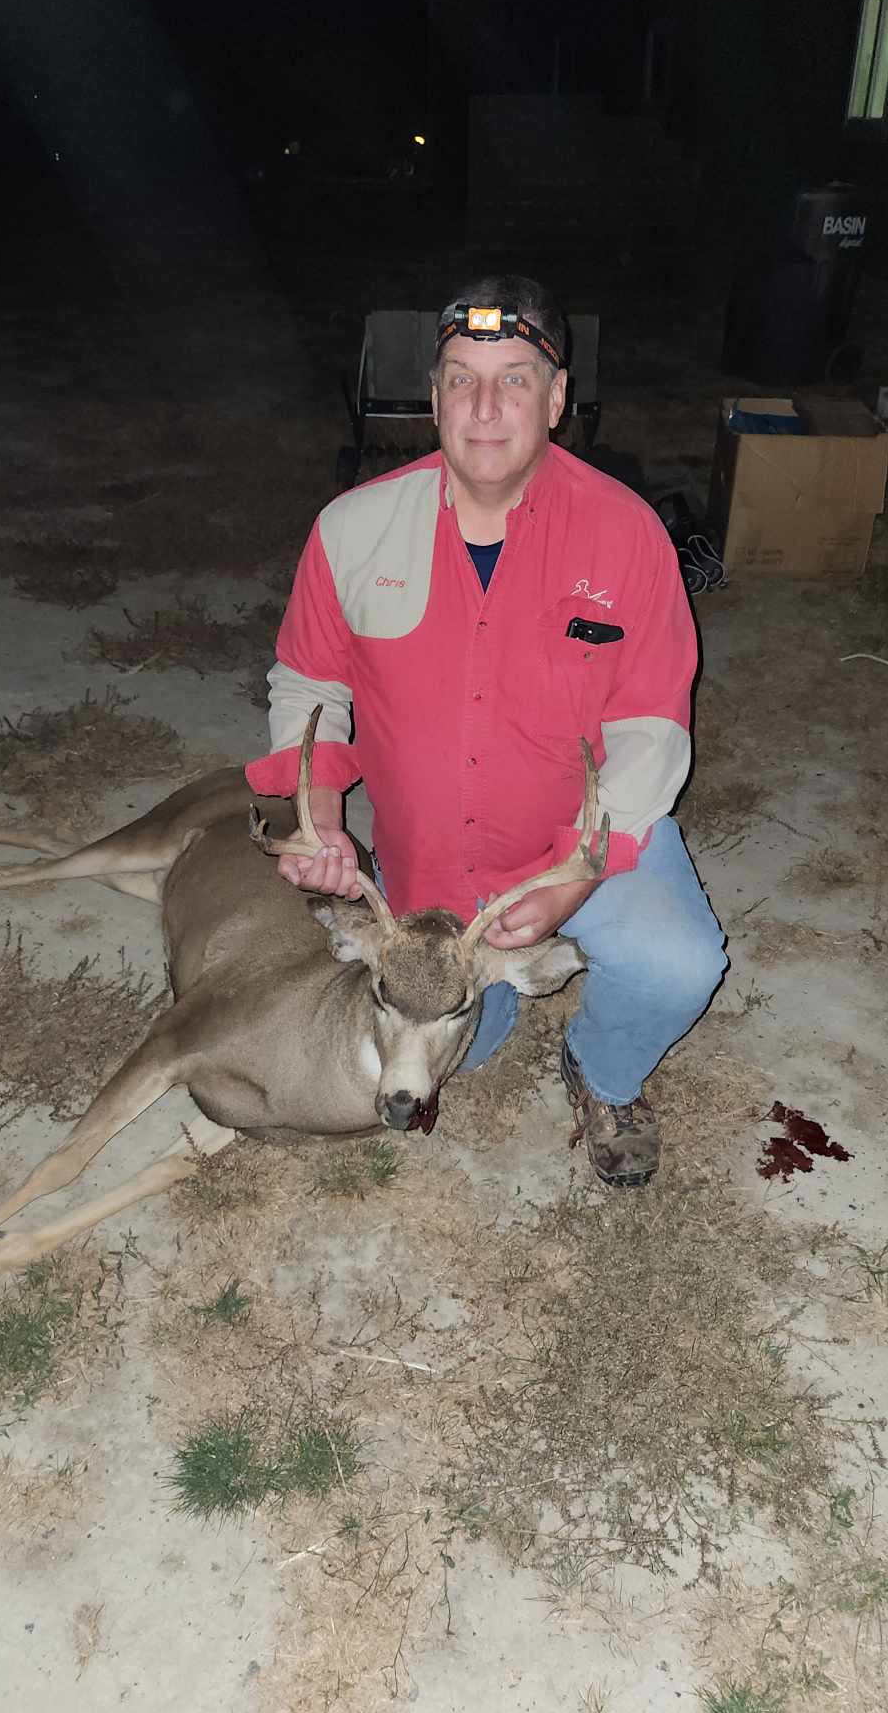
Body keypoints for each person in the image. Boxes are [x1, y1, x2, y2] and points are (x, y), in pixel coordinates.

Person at [245, 276, 726, 1185]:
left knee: (677, 964)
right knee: (467, 1041)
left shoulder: (627, 535)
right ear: (434, 398)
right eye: (462, 379)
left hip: (578, 843)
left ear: (557, 397)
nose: (486, 406)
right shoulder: (353, 529)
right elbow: (310, 681)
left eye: (514, 380)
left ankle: (605, 1071)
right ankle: (485, 1000)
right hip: (431, 872)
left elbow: (652, 726)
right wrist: (315, 815)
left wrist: (574, 880)